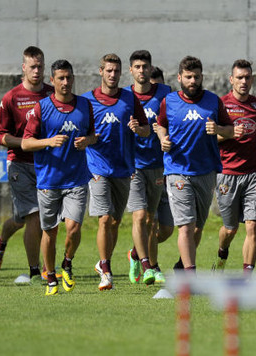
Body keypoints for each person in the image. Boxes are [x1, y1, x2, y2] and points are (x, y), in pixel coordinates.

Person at [22, 59, 97, 295]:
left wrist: (87, 141)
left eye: (69, 78)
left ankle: (67, 263)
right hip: (49, 181)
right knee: (50, 231)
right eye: (60, 78)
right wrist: (48, 142)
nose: (65, 82)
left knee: (73, 228)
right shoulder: (40, 108)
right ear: (52, 80)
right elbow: (25, 143)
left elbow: (93, 134)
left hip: (76, 179)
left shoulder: (85, 105)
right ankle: (51, 276)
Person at [156, 56, 237, 271]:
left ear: (202, 77)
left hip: (206, 171)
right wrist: (163, 139)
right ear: (180, 78)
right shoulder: (169, 102)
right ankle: (190, 275)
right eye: (189, 77)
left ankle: (182, 267)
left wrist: (218, 130)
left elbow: (231, 130)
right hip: (177, 170)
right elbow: (161, 125)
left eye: (197, 77)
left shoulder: (213, 101)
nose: (193, 81)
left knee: (197, 227)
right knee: (185, 226)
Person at [82, 53, 149, 290]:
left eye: (116, 71)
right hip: (98, 168)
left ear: (121, 73)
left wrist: (138, 129)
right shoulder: (87, 101)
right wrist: (88, 140)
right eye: (108, 70)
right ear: (100, 71)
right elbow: (80, 133)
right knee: (104, 219)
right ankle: (106, 269)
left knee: (115, 222)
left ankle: (103, 264)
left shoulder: (130, 99)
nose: (112, 75)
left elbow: (146, 130)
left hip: (123, 169)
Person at [0, 46, 53, 282]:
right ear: (24, 67)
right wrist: (26, 143)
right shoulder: (11, 97)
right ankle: (36, 270)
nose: (37, 71)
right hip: (20, 164)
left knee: (22, 219)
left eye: (40, 66)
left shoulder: (52, 93)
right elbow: (0, 136)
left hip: (48, 165)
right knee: (35, 218)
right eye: (32, 66)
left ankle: (2, 240)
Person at [212, 59, 256, 276]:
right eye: (239, 77)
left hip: (254, 174)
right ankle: (222, 251)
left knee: (252, 225)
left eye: (247, 77)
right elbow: (211, 138)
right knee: (230, 229)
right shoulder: (221, 104)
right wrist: (226, 133)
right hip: (227, 174)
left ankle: (247, 276)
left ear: (252, 79)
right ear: (231, 80)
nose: (243, 81)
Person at [123, 50, 171, 285]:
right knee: (140, 217)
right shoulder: (124, 98)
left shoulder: (165, 93)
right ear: (131, 70)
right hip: (134, 166)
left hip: (159, 165)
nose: (142, 70)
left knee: (157, 224)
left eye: (145, 66)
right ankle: (149, 266)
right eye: (137, 66)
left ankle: (136, 253)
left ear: (151, 69)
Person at [147, 66, 175, 281]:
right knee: (150, 221)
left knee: (166, 229)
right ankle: (152, 267)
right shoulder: (137, 103)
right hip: (147, 170)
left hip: (169, 171)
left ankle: (138, 252)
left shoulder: (172, 102)